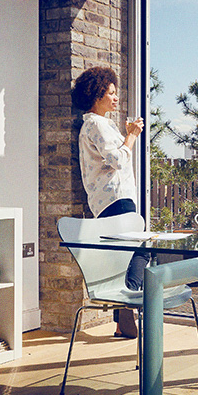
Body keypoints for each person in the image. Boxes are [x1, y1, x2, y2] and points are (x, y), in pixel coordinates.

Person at [71, 66, 146, 338]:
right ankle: (127, 304)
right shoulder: (96, 124)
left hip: (111, 200)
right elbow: (116, 160)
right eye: (111, 92)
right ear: (97, 94)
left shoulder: (98, 125)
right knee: (142, 249)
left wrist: (124, 135)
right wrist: (132, 136)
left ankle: (122, 320)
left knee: (122, 259)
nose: (116, 97)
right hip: (116, 199)